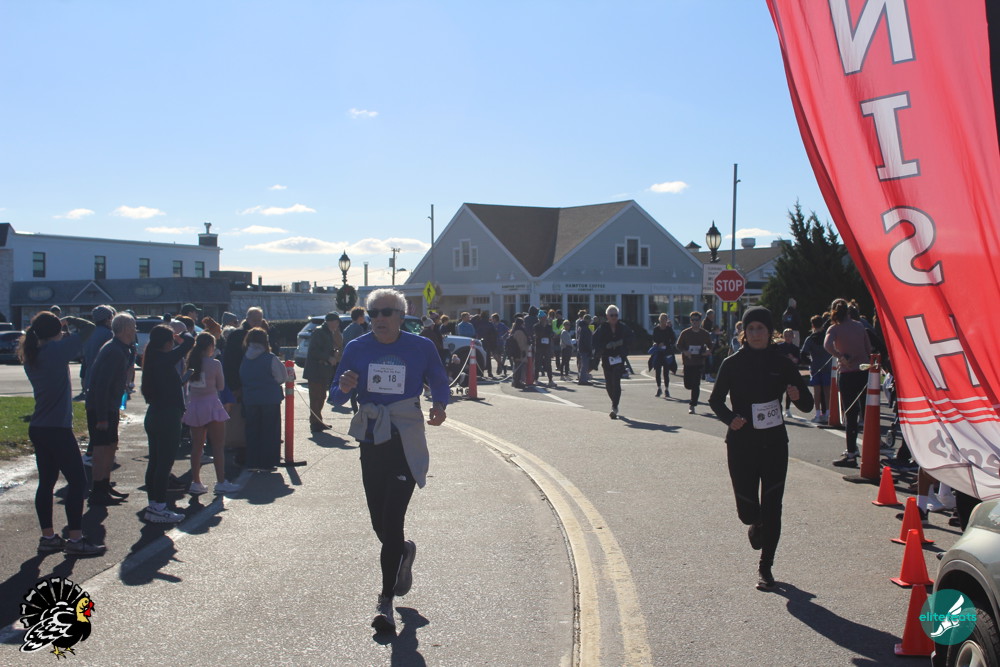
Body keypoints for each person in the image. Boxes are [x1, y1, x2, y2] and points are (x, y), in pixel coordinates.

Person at [329, 288, 449, 634]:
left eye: (386, 312)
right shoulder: (357, 348)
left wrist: (439, 405)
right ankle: (404, 552)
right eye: (374, 313)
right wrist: (345, 387)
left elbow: (438, 379)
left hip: (405, 438)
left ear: (400, 316)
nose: (379, 319)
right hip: (371, 439)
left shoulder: (420, 347)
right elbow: (336, 396)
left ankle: (385, 601)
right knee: (380, 524)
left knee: (393, 521)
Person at [709, 306, 813, 590]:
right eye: (751, 328)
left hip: (774, 444)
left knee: (773, 507)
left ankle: (766, 567)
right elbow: (716, 400)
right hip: (741, 445)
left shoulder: (782, 363)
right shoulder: (732, 363)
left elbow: (807, 404)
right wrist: (730, 419)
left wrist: (797, 395)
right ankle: (756, 523)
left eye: (761, 329)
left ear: (770, 332)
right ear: (744, 332)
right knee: (747, 511)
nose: (756, 334)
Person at [20, 311, 106, 556]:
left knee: (46, 483)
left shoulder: (33, 354)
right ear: (56, 331)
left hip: (39, 427)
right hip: (57, 428)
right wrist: (69, 320)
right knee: (78, 482)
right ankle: (75, 539)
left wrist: (59, 327)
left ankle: (48, 537)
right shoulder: (56, 351)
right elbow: (90, 328)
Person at [140, 323, 195, 522]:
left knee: (155, 462)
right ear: (166, 342)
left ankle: (153, 504)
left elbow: (168, 385)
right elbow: (189, 342)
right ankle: (160, 506)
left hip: (155, 414)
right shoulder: (164, 358)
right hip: (168, 416)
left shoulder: (152, 359)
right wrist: (182, 335)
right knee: (164, 464)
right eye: (171, 340)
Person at [85, 312, 137, 505]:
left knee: (111, 445)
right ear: (125, 329)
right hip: (101, 408)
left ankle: (105, 484)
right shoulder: (113, 350)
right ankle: (97, 490)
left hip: (110, 406)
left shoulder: (120, 348)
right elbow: (101, 385)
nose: (135, 330)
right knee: (101, 449)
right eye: (133, 327)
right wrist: (101, 417)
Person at [182, 332, 239, 495]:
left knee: (197, 447)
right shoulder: (214, 364)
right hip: (212, 405)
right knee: (218, 446)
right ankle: (221, 481)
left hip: (195, 406)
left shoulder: (190, 362)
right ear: (210, 346)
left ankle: (196, 482)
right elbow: (221, 386)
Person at [824, 298, 872, 467]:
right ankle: (871, 449)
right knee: (867, 412)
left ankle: (851, 452)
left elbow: (827, 345)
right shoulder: (859, 326)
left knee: (850, 414)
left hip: (847, 372)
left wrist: (840, 356)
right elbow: (868, 348)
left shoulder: (834, 328)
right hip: (864, 371)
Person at [240, 327, 287, 472]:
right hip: (269, 398)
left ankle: (252, 462)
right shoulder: (270, 358)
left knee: (252, 430)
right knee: (270, 431)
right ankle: (267, 463)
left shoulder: (245, 358)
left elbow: (242, 376)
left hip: (250, 399)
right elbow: (281, 377)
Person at [304, 312, 342, 431]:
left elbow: (336, 345)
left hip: (323, 371)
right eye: (336, 322)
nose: (337, 324)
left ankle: (318, 421)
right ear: (332, 322)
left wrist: (334, 353)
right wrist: (328, 357)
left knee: (321, 396)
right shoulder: (319, 332)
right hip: (315, 370)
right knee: (316, 397)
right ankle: (315, 422)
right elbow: (314, 351)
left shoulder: (329, 332)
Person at [593, 305, 632, 419]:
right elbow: (595, 341)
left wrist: (621, 342)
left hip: (619, 358)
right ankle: (614, 402)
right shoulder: (602, 328)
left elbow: (632, 337)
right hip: (607, 358)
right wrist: (605, 346)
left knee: (616, 380)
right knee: (609, 384)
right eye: (612, 315)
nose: (614, 317)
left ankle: (614, 407)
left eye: (616, 315)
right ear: (607, 316)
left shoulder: (623, 327)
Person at [676, 312, 712, 414]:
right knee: (688, 385)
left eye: (696, 320)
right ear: (690, 321)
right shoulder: (685, 333)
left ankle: (692, 405)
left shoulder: (704, 333)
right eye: (693, 320)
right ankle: (692, 393)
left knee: (696, 384)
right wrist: (685, 351)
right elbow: (678, 345)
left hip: (699, 362)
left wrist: (708, 351)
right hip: (688, 362)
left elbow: (711, 346)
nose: (695, 322)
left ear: (700, 321)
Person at [800, 314, 833, 424]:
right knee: (827, 391)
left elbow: (803, 354)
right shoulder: (827, 336)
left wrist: (810, 362)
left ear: (812, 325)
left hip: (815, 367)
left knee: (817, 392)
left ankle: (818, 414)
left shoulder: (810, 339)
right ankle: (828, 413)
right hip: (827, 366)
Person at [342, 307, 369, 413]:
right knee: (359, 387)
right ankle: (358, 412)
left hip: (348, 360)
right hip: (358, 360)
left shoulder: (347, 329)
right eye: (363, 316)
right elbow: (361, 345)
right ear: (360, 317)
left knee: (352, 387)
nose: (364, 318)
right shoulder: (358, 328)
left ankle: (355, 411)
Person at [774, 329, 801, 418]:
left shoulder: (795, 348)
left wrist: (793, 359)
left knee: (790, 390)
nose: (788, 337)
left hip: (791, 372)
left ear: (793, 337)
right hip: (780, 372)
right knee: (779, 391)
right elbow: (776, 358)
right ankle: (778, 409)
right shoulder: (779, 347)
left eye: (790, 335)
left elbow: (798, 360)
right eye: (786, 335)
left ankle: (787, 409)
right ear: (783, 336)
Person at [650, 313, 676, 398]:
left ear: (666, 320)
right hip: (658, 352)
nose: (663, 321)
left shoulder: (669, 329)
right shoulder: (656, 329)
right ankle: (659, 388)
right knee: (657, 371)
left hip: (666, 352)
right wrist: (656, 344)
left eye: (664, 319)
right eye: (661, 319)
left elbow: (673, 340)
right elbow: (654, 339)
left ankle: (666, 389)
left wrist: (667, 344)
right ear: (659, 320)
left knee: (666, 372)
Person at [533, 311, 556, 387]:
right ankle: (535, 379)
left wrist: (551, 335)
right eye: (542, 318)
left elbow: (552, 335)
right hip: (539, 346)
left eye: (545, 317)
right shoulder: (536, 326)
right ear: (539, 318)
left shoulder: (549, 326)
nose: (544, 319)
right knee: (537, 363)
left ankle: (550, 380)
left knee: (548, 364)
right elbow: (538, 335)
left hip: (547, 347)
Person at [509, 316, 529, 388]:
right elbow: (521, 343)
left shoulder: (514, 331)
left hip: (515, 352)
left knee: (516, 367)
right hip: (519, 352)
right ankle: (518, 382)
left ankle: (515, 381)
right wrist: (523, 351)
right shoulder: (520, 332)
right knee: (519, 368)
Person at [576, 314, 593, 384]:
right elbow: (586, 340)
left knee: (583, 364)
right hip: (585, 348)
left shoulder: (581, 327)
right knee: (585, 365)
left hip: (582, 348)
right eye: (589, 319)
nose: (590, 321)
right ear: (586, 319)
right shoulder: (585, 328)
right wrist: (589, 349)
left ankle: (582, 378)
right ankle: (583, 380)